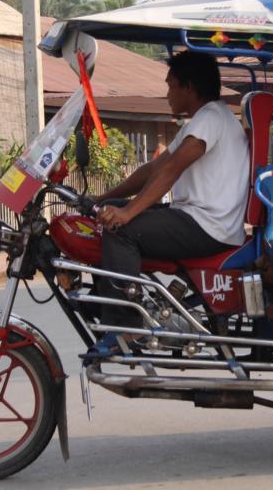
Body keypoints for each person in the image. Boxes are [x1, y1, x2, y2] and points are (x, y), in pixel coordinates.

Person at [92, 50, 249, 326]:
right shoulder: (208, 119)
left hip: (207, 226)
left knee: (121, 229)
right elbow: (153, 169)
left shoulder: (210, 118)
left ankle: (123, 326)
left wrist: (128, 213)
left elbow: (172, 169)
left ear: (189, 87)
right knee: (110, 213)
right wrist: (105, 198)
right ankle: (114, 300)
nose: (167, 94)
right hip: (199, 220)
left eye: (170, 86)